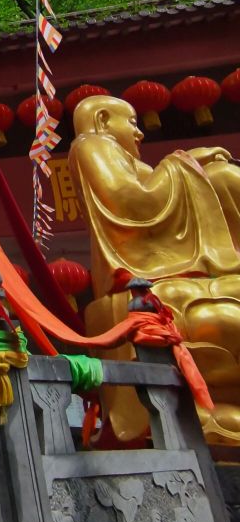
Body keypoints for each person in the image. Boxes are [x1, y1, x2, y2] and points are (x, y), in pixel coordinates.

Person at [69, 95, 240, 443]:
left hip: (174, 271)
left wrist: (199, 170)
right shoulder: (91, 145)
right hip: (145, 281)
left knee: (222, 175)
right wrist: (184, 161)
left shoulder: (136, 164)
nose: (139, 133)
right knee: (166, 302)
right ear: (102, 120)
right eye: (132, 122)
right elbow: (132, 202)